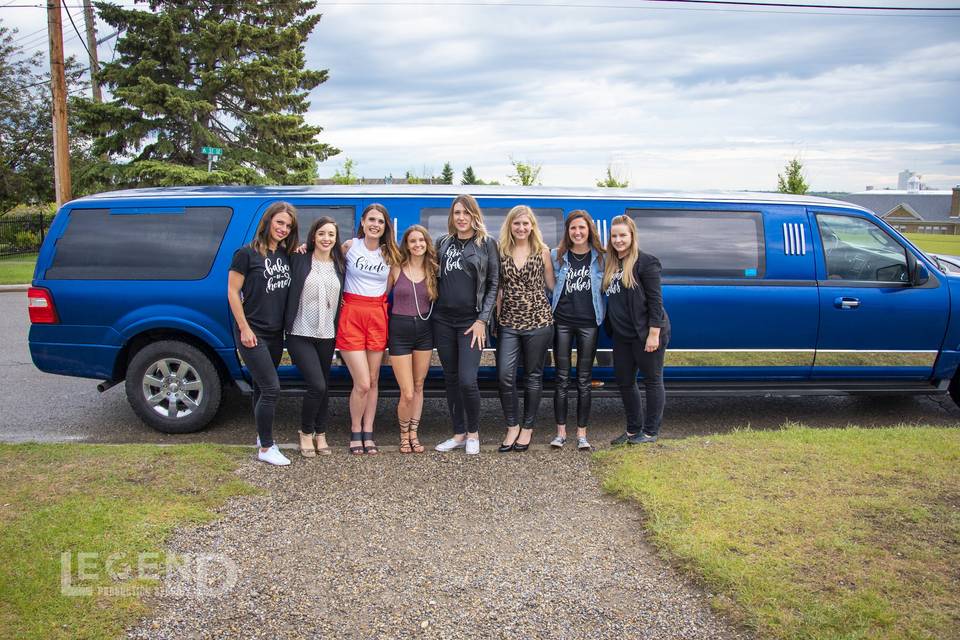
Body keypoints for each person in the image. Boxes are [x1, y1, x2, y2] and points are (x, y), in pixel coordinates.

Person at [227, 201, 297, 466]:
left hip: (275, 332)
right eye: (279, 222)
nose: (283, 229)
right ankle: (267, 448)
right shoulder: (245, 254)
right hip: (252, 331)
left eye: (288, 226)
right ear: (267, 222)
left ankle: (260, 436)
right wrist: (244, 328)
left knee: (260, 386)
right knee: (271, 388)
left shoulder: (283, 255)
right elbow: (233, 292)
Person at [433, 194, 499, 455]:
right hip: (442, 321)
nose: (461, 217)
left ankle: (473, 433)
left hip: (471, 323)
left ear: (474, 216)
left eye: (466, 213)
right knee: (450, 379)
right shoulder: (442, 243)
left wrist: (482, 319)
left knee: (467, 379)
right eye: (457, 212)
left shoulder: (486, 244)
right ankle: (458, 433)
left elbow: (494, 283)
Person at [338, 203, 401, 455]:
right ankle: (355, 430)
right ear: (363, 222)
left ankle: (368, 431)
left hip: (377, 314)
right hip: (352, 313)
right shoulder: (350, 247)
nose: (376, 224)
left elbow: (389, 288)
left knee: (374, 380)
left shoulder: (389, 255)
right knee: (362, 382)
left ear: (386, 227)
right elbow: (326, 264)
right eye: (371, 219)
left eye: (381, 221)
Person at [603, 215, 670, 445]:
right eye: (614, 236)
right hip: (622, 336)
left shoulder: (646, 262)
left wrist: (654, 333)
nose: (618, 240)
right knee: (624, 381)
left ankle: (650, 432)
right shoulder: (611, 264)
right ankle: (633, 430)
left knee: (652, 380)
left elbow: (655, 302)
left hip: (645, 334)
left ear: (632, 236)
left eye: (623, 235)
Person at [495, 205, 556, 452]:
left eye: (525, 224)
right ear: (510, 225)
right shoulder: (501, 251)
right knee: (504, 375)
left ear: (532, 226)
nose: (521, 228)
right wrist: (495, 318)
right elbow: (497, 288)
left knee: (533, 376)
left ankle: (527, 428)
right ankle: (512, 425)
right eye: (516, 224)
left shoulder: (543, 252)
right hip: (508, 322)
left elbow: (552, 284)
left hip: (539, 321)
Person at [285, 216, 345, 458]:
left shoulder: (340, 263)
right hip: (300, 331)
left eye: (331, 234)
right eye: (322, 234)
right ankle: (306, 432)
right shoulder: (299, 258)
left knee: (325, 386)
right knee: (316, 385)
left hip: (327, 334)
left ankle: (321, 434)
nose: (326, 238)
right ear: (313, 236)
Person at [549, 210, 605, 451]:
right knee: (561, 379)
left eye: (582, 227)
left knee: (583, 380)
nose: (578, 232)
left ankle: (582, 434)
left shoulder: (600, 258)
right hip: (561, 321)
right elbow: (550, 284)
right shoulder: (557, 256)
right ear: (568, 231)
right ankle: (560, 433)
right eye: (573, 228)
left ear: (589, 230)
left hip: (589, 323)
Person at [386, 224, 438, 454]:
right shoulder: (396, 268)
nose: (417, 245)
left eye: (421, 241)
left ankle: (414, 433)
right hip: (400, 330)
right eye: (412, 241)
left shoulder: (434, 270)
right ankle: (403, 433)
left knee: (418, 385)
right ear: (406, 245)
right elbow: (379, 297)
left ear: (427, 244)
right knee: (406, 391)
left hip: (425, 331)